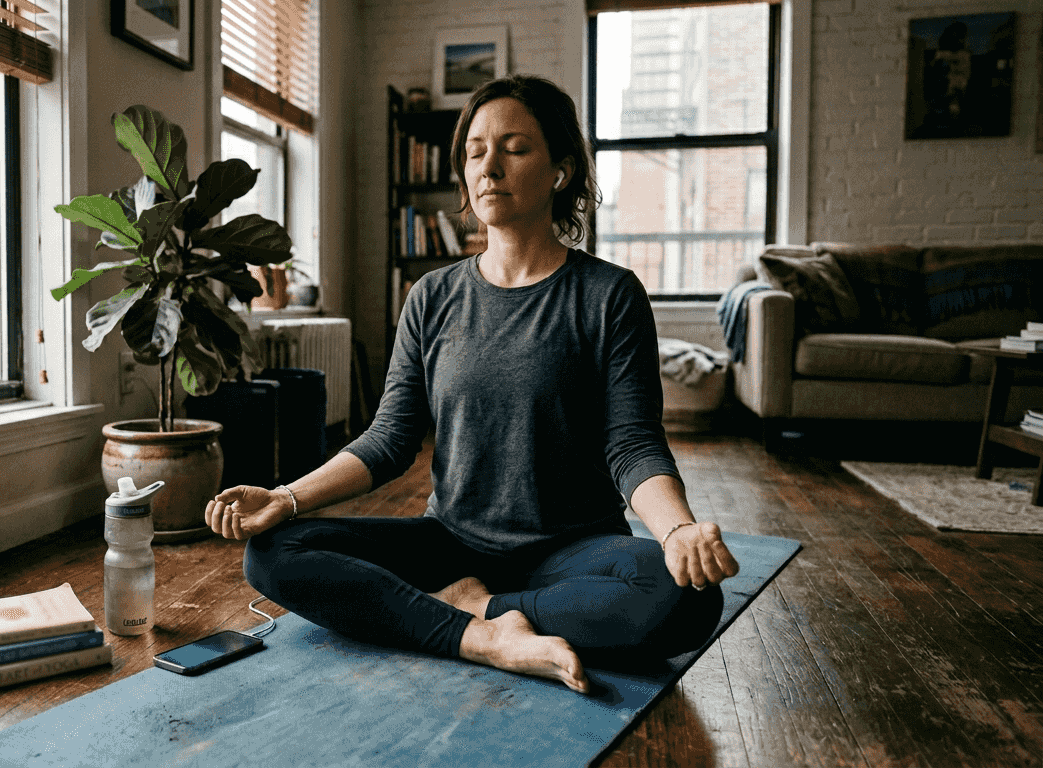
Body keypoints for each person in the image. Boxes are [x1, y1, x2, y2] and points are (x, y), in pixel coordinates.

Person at [205, 75, 740, 695]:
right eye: (475, 151)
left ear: (561, 171)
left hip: (571, 552)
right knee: (272, 551)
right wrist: (285, 497)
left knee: (688, 597)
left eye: (515, 148)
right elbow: (389, 440)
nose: (489, 167)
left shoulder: (609, 295)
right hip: (450, 543)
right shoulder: (431, 296)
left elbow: (632, 445)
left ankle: (471, 608)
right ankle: (483, 637)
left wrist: (677, 532)